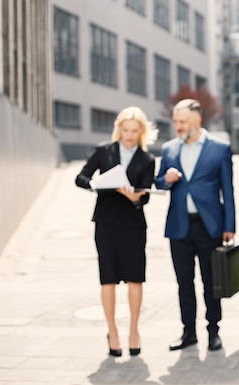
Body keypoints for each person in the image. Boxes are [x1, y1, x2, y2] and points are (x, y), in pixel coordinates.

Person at [75, 106, 157, 357]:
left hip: (133, 224)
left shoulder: (147, 159)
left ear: (141, 132)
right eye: (125, 130)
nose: (129, 135)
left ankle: (133, 330)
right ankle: (112, 331)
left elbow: (146, 196)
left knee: (135, 277)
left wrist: (134, 197)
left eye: (134, 131)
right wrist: (95, 185)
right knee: (108, 278)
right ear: (118, 129)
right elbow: (81, 177)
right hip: (106, 223)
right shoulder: (103, 151)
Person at [155, 99, 235, 352]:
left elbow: (228, 191)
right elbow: (158, 183)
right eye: (176, 122)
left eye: (182, 122)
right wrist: (165, 180)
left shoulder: (220, 149)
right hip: (179, 227)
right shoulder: (168, 149)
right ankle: (188, 332)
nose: (177, 126)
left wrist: (229, 225)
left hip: (209, 226)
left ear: (197, 120)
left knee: (212, 282)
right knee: (184, 282)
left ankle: (214, 331)